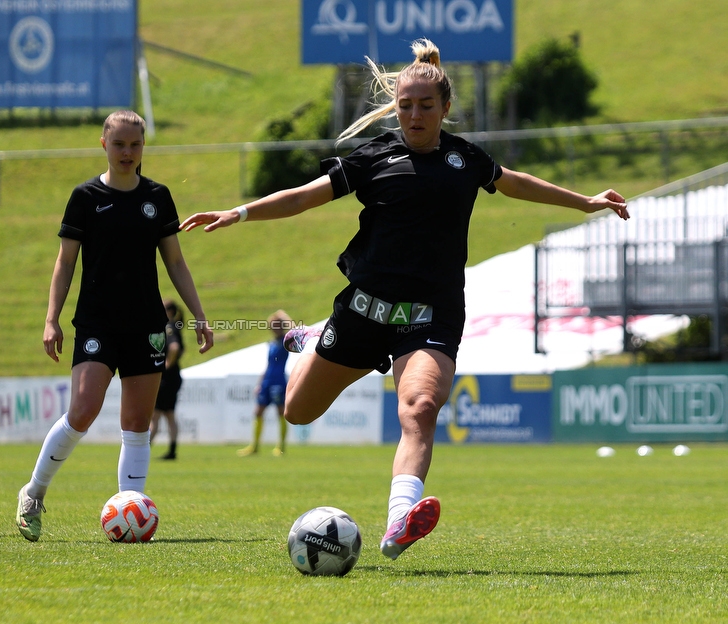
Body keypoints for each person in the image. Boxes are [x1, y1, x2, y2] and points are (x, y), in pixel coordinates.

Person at [181, 39, 630, 560]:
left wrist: (585, 202)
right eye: (405, 105)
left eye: (425, 105)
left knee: (419, 407)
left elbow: (514, 184)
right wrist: (239, 213)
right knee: (297, 412)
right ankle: (308, 341)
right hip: (362, 311)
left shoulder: (466, 160)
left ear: (444, 108)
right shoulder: (374, 156)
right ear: (395, 107)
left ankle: (399, 520)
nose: (414, 114)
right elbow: (304, 196)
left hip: (430, 315)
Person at [15, 110, 214, 542]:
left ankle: (132, 515)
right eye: (119, 144)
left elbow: (175, 261)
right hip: (96, 323)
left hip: (147, 324)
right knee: (82, 411)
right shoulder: (85, 197)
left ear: (144, 147)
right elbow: (64, 262)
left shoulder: (158, 197)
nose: (127, 152)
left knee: (137, 426)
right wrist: (51, 320)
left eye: (135, 144)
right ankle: (33, 493)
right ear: (104, 144)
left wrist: (198, 314)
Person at [238, 310, 291, 457]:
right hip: (267, 381)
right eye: (272, 325)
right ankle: (254, 446)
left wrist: (284, 316)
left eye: (277, 325)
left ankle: (281, 447)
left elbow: (294, 330)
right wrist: (260, 383)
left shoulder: (285, 342)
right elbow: (268, 365)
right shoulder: (272, 344)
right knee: (258, 412)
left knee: (280, 412)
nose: (274, 328)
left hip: (278, 382)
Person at [150, 299, 185, 460]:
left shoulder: (169, 327)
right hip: (174, 378)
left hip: (166, 379)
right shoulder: (175, 327)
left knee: (155, 415)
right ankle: (172, 450)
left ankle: (143, 449)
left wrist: (166, 364)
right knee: (169, 414)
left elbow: (174, 347)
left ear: (169, 312)